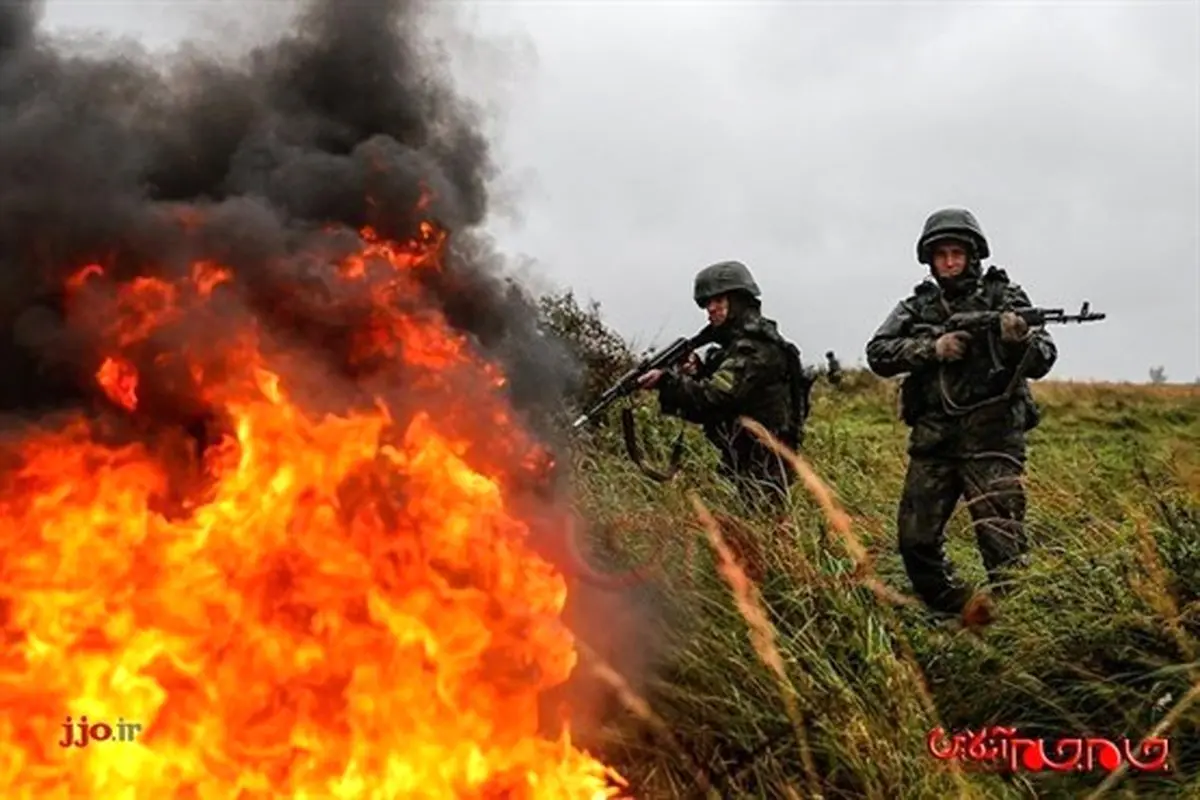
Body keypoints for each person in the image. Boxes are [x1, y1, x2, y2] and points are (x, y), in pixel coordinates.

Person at [865, 208, 1058, 615]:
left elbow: (1044, 356)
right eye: (942, 255)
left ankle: (1021, 632)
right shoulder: (916, 307)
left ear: (973, 255)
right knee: (915, 542)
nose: (950, 262)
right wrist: (931, 349)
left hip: (992, 439)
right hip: (935, 439)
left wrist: (1016, 342)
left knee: (1003, 547)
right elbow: (878, 353)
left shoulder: (1004, 298)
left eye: (957, 253)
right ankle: (963, 613)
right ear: (930, 260)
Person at [636, 260, 806, 513]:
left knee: (763, 531)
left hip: (764, 461)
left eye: (718, 301)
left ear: (738, 300)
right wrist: (695, 374)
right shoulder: (734, 348)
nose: (710, 309)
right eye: (706, 303)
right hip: (742, 458)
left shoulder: (756, 348)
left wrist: (667, 382)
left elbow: (717, 395)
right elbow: (719, 402)